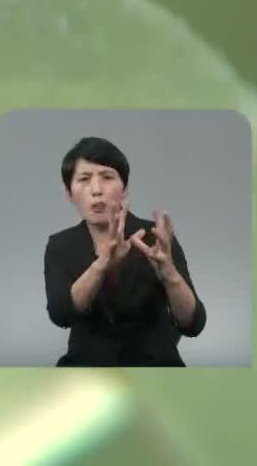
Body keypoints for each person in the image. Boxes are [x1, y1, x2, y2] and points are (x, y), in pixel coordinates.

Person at [43, 136, 206, 366]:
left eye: (107, 177)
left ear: (125, 189)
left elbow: (193, 325)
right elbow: (61, 315)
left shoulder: (155, 237)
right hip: (86, 369)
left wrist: (170, 275)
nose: (96, 190)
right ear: (69, 193)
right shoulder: (60, 245)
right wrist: (101, 266)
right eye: (84, 179)